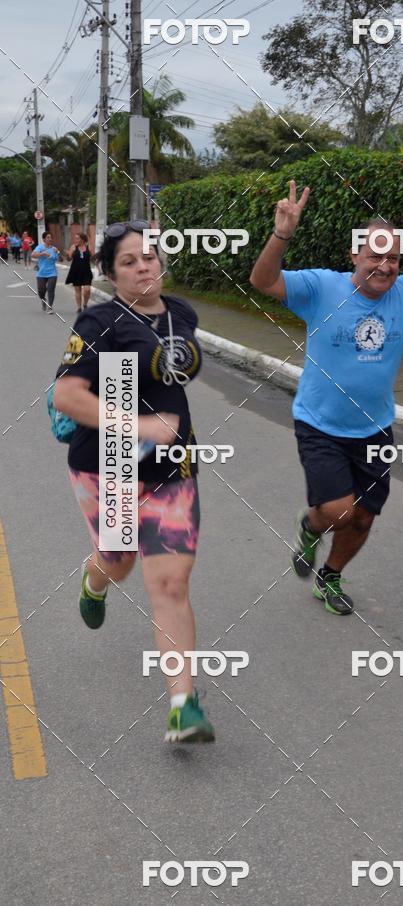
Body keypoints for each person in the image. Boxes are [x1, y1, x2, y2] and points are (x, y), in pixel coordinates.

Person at [250, 176, 403, 615]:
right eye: (374, 255)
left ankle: (330, 576)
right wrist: (282, 233)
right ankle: (310, 526)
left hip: (375, 428)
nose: (384, 265)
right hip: (320, 423)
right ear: (354, 256)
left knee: (364, 517)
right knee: (341, 510)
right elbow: (262, 279)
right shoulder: (321, 288)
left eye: (393, 258)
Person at [52, 220, 214, 744]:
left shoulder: (182, 313)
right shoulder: (99, 320)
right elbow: (68, 396)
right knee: (119, 561)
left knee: (169, 583)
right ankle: (95, 578)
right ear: (112, 272)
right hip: (110, 465)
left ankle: (183, 705)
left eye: (149, 256)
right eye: (129, 261)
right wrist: (139, 425)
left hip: (171, 470)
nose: (143, 265)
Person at [32, 231, 60, 312]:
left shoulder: (54, 248)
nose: (50, 239)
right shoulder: (40, 247)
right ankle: (43, 300)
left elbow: (61, 259)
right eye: (48, 237)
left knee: (51, 290)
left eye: (51, 237)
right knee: (41, 291)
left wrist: (58, 251)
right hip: (41, 273)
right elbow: (33, 255)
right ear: (44, 239)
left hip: (52, 273)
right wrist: (42, 254)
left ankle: (50, 306)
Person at [65, 231, 94, 312]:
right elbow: (69, 259)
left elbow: (93, 258)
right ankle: (79, 307)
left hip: (86, 272)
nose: (76, 240)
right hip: (76, 271)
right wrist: (68, 254)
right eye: (75, 238)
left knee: (87, 290)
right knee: (78, 290)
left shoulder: (89, 247)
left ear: (83, 239)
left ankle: (85, 304)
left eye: (77, 238)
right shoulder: (73, 247)